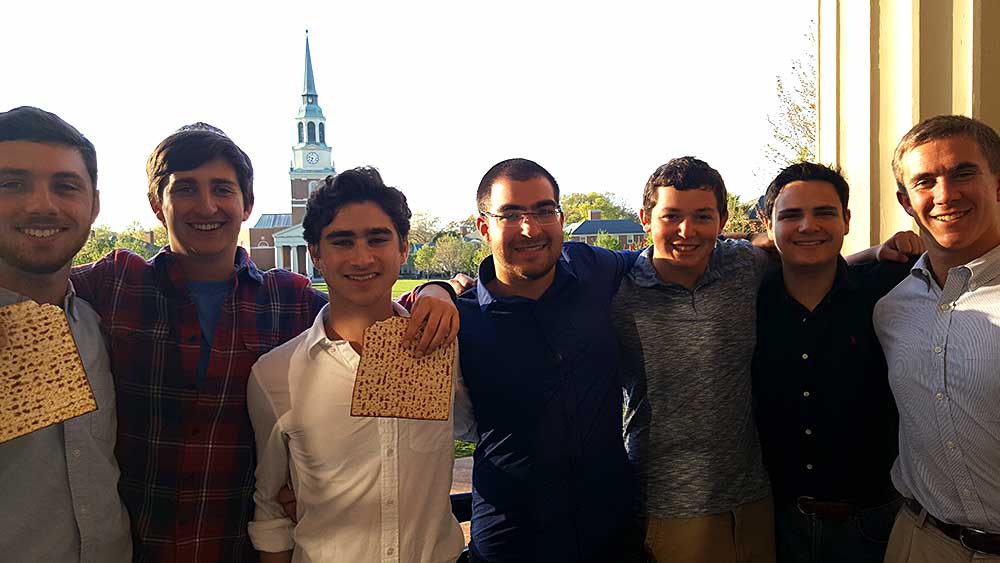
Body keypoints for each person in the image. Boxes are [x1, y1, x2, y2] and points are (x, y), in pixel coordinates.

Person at [71, 124, 458, 562]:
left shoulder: (285, 299)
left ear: (247, 204)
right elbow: (33, 284)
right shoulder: (116, 284)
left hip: (237, 545)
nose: (207, 206)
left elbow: (368, 306)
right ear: (156, 206)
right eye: (185, 190)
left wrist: (437, 288)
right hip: (142, 544)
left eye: (222, 188)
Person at [611, 156, 917, 563]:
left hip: (762, 505)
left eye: (703, 216)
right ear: (646, 219)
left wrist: (878, 253)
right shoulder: (615, 291)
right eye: (672, 216)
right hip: (673, 506)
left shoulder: (744, 268)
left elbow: (809, 251)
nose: (687, 231)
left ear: (721, 221)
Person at [246, 167, 471, 563]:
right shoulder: (275, 374)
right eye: (342, 241)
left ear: (403, 248)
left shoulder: (446, 349)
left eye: (378, 239)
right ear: (315, 252)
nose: (362, 257)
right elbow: (270, 511)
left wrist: (443, 288)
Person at [456, 158, 647, 563]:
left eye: (544, 210)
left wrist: (765, 245)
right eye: (510, 214)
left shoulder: (594, 270)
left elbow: (671, 255)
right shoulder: (459, 322)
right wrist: (436, 289)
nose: (531, 228)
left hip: (612, 534)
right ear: (483, 227)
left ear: (560, 217)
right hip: (512, 540)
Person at [751, 162, 918, 563]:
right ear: (770, 226)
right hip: (776, 525)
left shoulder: (895, 288)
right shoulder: (748, 296)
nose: (808, 226)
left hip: (875, 526)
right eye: (791, 215)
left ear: (845, 219)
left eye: (824, 213)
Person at [0, 106, 132, 560]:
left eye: (65, 186)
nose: (42, 205)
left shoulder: (96, 328)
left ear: (93, 205)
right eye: (11, 184)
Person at [875, 114, 1000, 562]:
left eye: (963, 172)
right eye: (924, 181)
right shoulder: (891, 308)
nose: (945, 195)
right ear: (906, 202)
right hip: (921, 541)